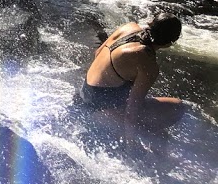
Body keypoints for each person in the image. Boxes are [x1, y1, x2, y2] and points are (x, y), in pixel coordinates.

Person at [79, 13, 186, 148]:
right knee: (177, 107)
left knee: (159, 132)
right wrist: (131, 144)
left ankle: (142, 129)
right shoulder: (148, 64)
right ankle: (128, 130)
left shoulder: (129, 28)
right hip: (100, 112)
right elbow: (132, 110)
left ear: (150, 23)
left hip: (84, 94)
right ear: (170, 43)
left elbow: (98, 53)